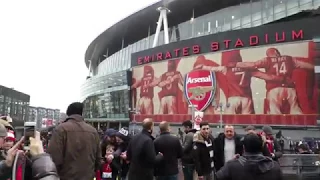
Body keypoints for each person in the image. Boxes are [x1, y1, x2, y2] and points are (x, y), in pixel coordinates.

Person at [47, 102, 101, 180]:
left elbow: (54, 158)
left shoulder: (61, 129)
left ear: (68, 113)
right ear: (81, 113)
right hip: (88, 176)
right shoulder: (93, 131)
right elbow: (98, 159)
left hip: (66, 177)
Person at [216, 133, 282, 180]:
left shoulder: (231, 166)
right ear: (261, 147)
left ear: (244, 147)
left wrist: (233, 162)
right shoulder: (274, 166)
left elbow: (218, 176)